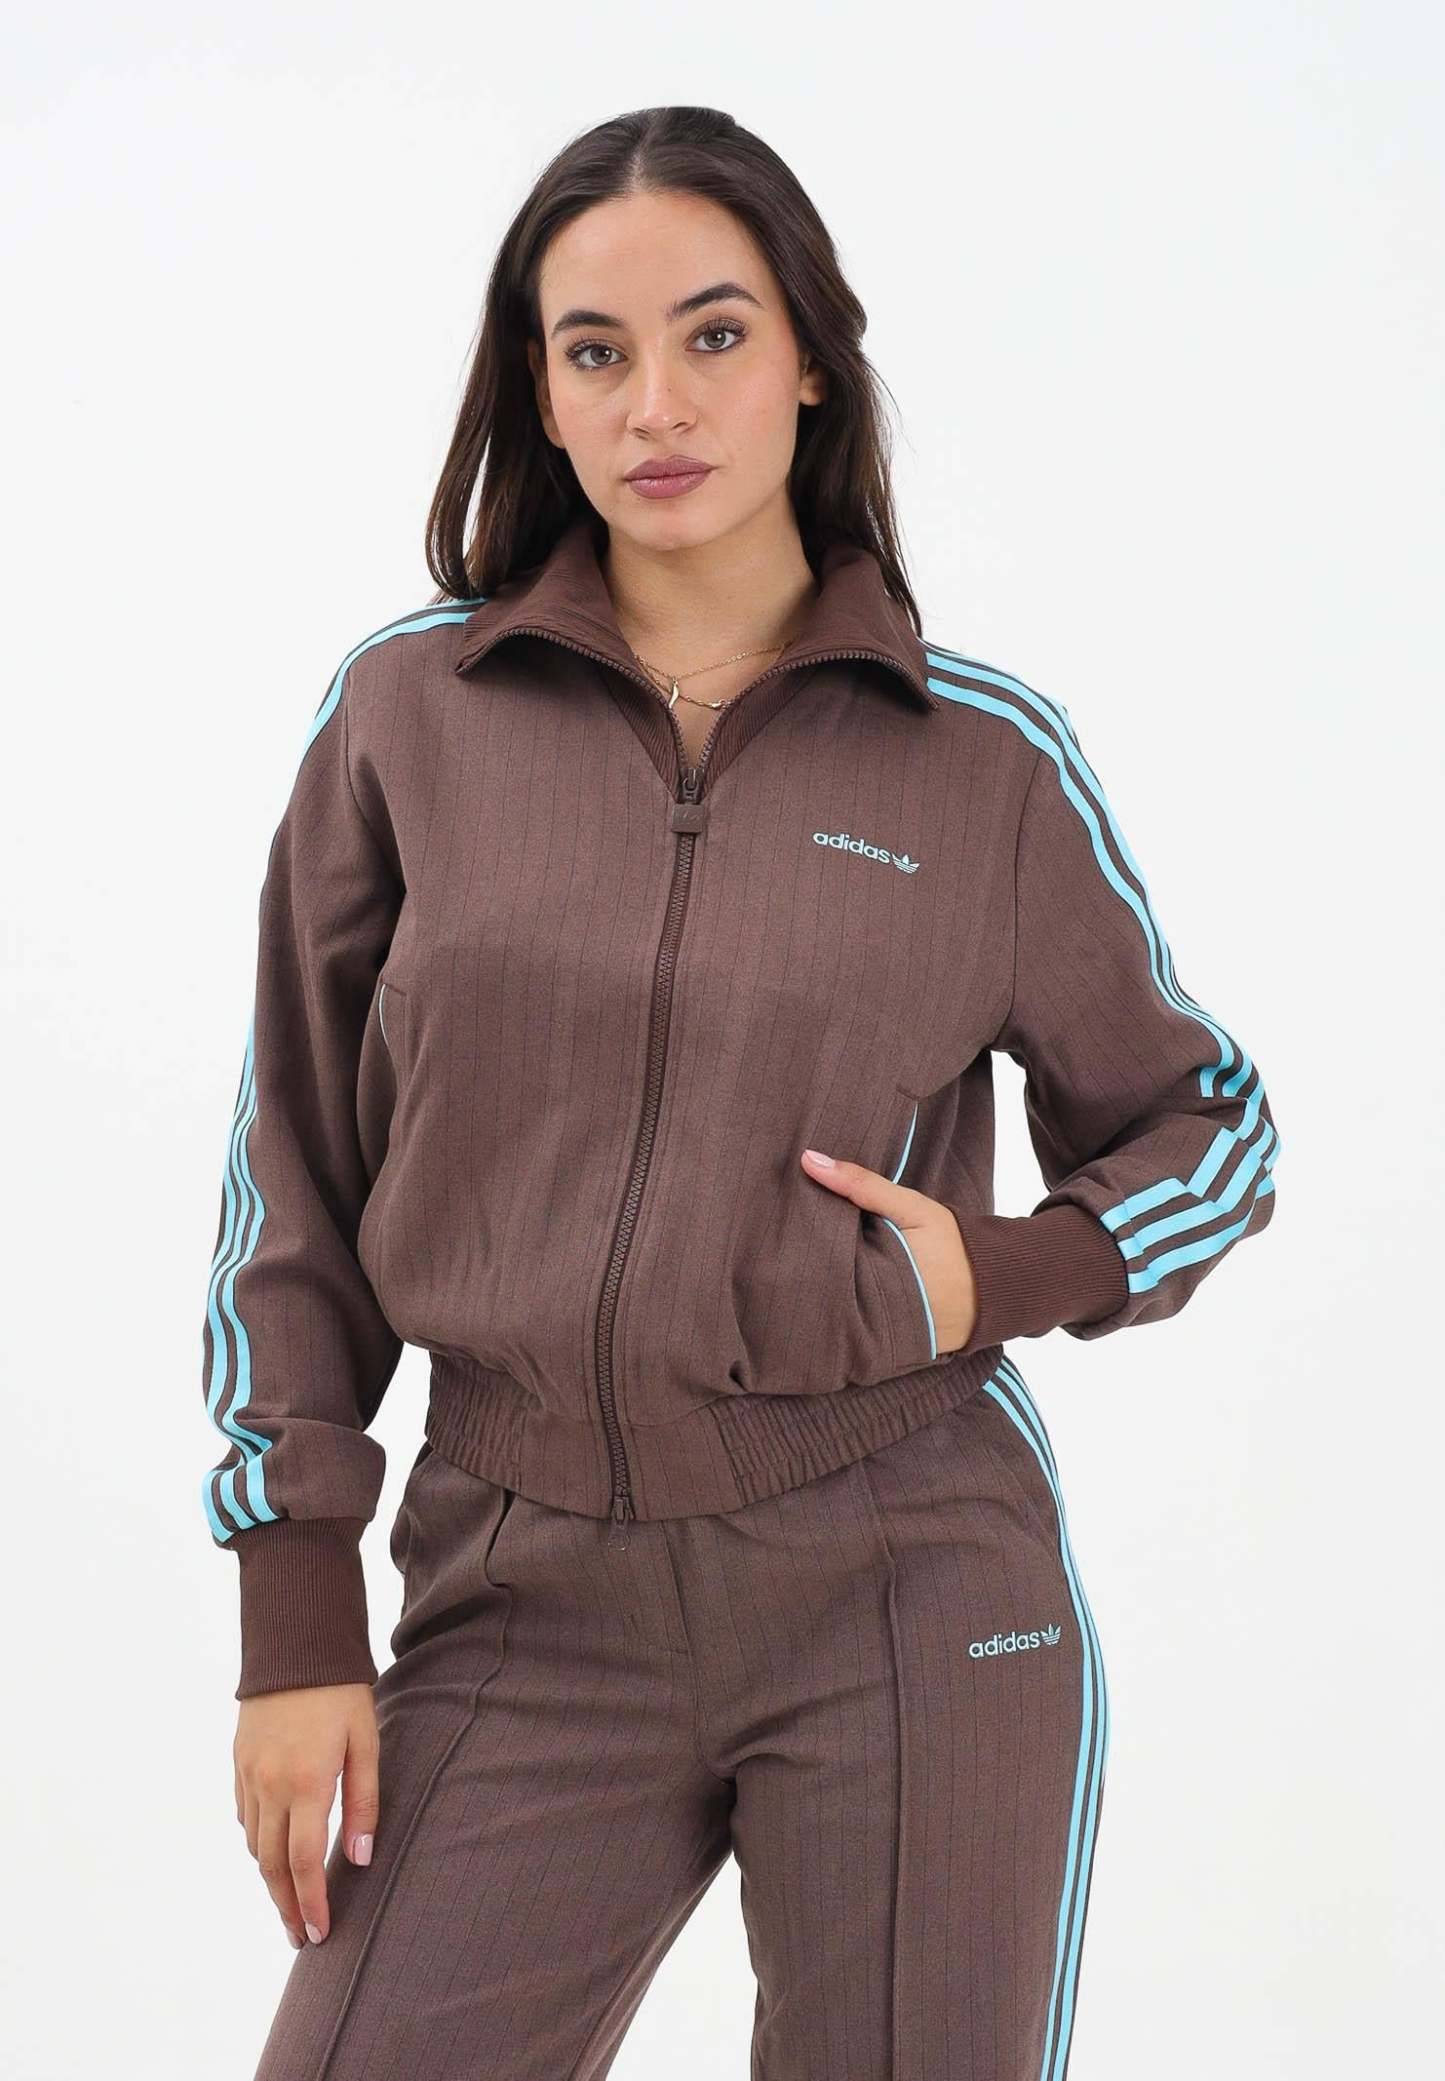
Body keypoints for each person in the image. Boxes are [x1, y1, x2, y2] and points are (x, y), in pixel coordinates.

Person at [201, 104, 1280, 2081]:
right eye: (594, 351)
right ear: (537, 394)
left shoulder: (979, 764)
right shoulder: (410, 717)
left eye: (713, 334)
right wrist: (296, 1615)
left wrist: (1003, 1273)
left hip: (904, 1578)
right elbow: (296, 1177)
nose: (656, 404)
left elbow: (1213, 1123)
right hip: (516, 1585)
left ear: (809, 362)